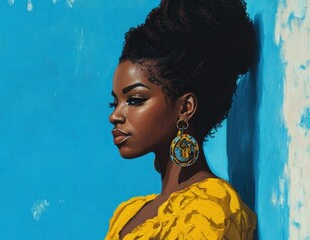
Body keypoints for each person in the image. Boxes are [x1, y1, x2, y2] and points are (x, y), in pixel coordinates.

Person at [104, 0, 257, 239]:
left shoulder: (210, 210)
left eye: (135, 100)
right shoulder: (127, 213)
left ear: (185, 107)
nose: (115, 115)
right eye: (115, 102)